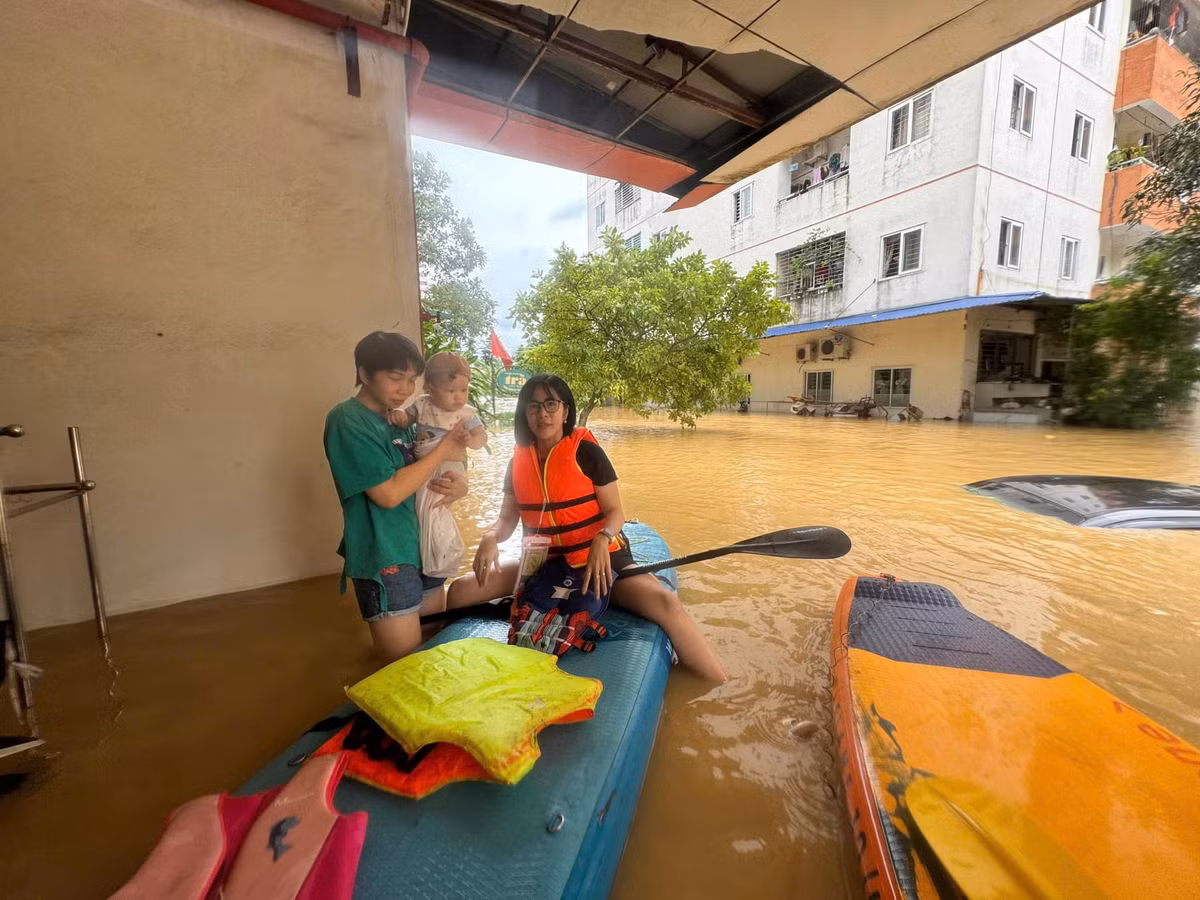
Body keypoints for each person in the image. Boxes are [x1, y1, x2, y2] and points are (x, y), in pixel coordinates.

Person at [447, 374, 728, 683]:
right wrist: (490, 537)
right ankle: (449, 673)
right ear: (524, 413)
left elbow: (615, 512)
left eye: (551, 404)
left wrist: (602, 539)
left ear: (566, 411)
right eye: (534, 406)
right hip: (545, 565)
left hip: (599, 561)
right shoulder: (517, 462)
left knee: (665, 602)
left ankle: (718, 684)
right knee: (461, 590)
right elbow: (506, 521)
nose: (543, 414)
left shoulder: (586, 451)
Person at [323, 331, 470, 662]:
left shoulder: (404, 421)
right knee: (402, 665)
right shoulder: (347, 420)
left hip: (425, 546)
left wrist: (459, 488)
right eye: (395, 378)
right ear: (364, 374)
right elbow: (387, 494)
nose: (405, 389)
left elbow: (431, 473)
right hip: (387, 555)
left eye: (411, 380)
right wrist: (444, 448)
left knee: (434, 651)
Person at [386, 352, 487, 577]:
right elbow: (406, 418)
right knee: (424, 507)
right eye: (451, 391)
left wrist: (473, 441)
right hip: (424, 464)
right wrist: (400, 417)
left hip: (450, 466)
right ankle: (432, 553)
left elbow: (481, 436)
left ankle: (441, 555)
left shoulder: (466, 413)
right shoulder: (421, 405)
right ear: (430, 389)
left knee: (436, 507)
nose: (459, 397)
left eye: (464, 390)